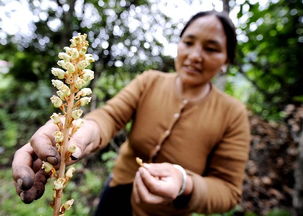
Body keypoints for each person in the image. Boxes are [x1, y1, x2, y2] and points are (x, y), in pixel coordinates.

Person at [12, 10, 250, 216]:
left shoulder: (233, 113)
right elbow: (110, 117)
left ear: (226, 59)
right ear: (178, 45)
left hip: (168, 212)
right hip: (116, 195)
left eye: (211, 48)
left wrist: (185, 183)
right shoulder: (150, 82)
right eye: (188, 43)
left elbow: (229, 191)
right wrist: (74, 133)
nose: (195, 55)